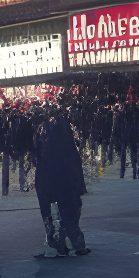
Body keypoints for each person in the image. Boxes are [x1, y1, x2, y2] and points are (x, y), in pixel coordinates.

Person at [32, 109, 88, 257]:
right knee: (66, 211)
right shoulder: (66, 145)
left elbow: (35, 155)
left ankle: (59, 243)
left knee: (53, 212)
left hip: (48, 179)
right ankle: (69, 242)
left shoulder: (44, 136)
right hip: (60, 180)